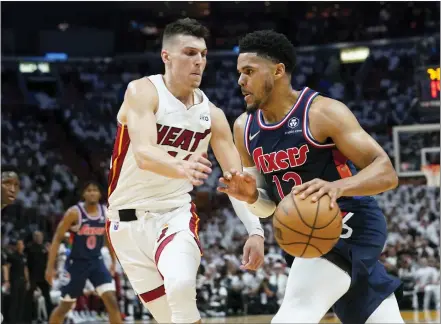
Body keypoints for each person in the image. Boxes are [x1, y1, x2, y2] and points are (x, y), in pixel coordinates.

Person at [218, 30, 405, 324]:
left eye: (249, 71)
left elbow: (386, 172)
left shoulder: (322, 112)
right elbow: (266, 207)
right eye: (240, 73)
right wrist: (252, 197)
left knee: (295, 313)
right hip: (303, 235)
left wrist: (336, 187)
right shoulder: (244, 127)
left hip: (349, 222)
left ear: (278, 70)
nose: (240, 81)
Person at [106, 18, 265, 324]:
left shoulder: (213, 116)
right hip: (124, 226)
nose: (199, 62)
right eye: (190, 53)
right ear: (167, 56)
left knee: (180, 285)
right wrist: (180, 165)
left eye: (203, 54)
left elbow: (237, 182)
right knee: (174, 319)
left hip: (173, 216)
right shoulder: (143, 92)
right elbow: (143, 152)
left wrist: (255, 230)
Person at [45, 181, 122, 324]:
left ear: (99, 194)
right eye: (89, 190)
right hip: (76, 264)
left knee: (112, 302)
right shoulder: (74, 213)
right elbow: (57, 238)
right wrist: (50, 267)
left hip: (96, 262)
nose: (92, 193)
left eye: (95, 190)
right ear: (83, 194)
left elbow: (108, 237)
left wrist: (113, 261)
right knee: (65, 307)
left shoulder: (105, 212)